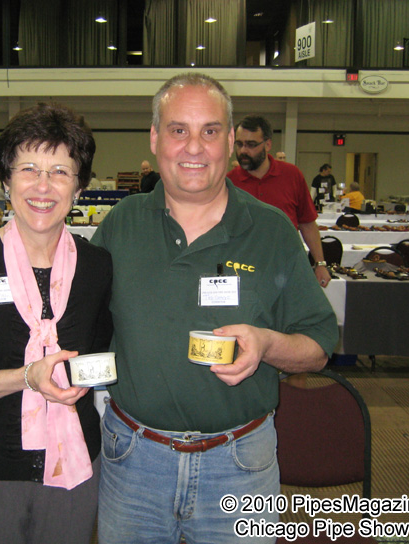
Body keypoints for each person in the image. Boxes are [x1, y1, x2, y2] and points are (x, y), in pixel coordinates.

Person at [92, 73, 337, 544]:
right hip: (133, 463)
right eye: (178, 129)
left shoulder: (271, 231)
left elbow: (319, 347)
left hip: (240, 464)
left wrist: (265, 343)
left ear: (228, 140)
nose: (194, 147)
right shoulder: (122, 225)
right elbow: (74, 323)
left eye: (209, 131)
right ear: (155, 137)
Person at [0, 102, 112, 544]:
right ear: (6, 179)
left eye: (61, 172)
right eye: (29, 168)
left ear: (80, 186)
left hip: (72, 467)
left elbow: (100, 357)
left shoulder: (97, 266)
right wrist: (28, 378)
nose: (43, 186)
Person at [228, 114, 332, 288]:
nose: (243, 151)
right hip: (244, 272)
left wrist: (320, 263)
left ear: (268, 144)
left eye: (251, 145)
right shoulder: (228, 183)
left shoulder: (292, 175)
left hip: (287, 268)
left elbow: (307, 223)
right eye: (239, 144)